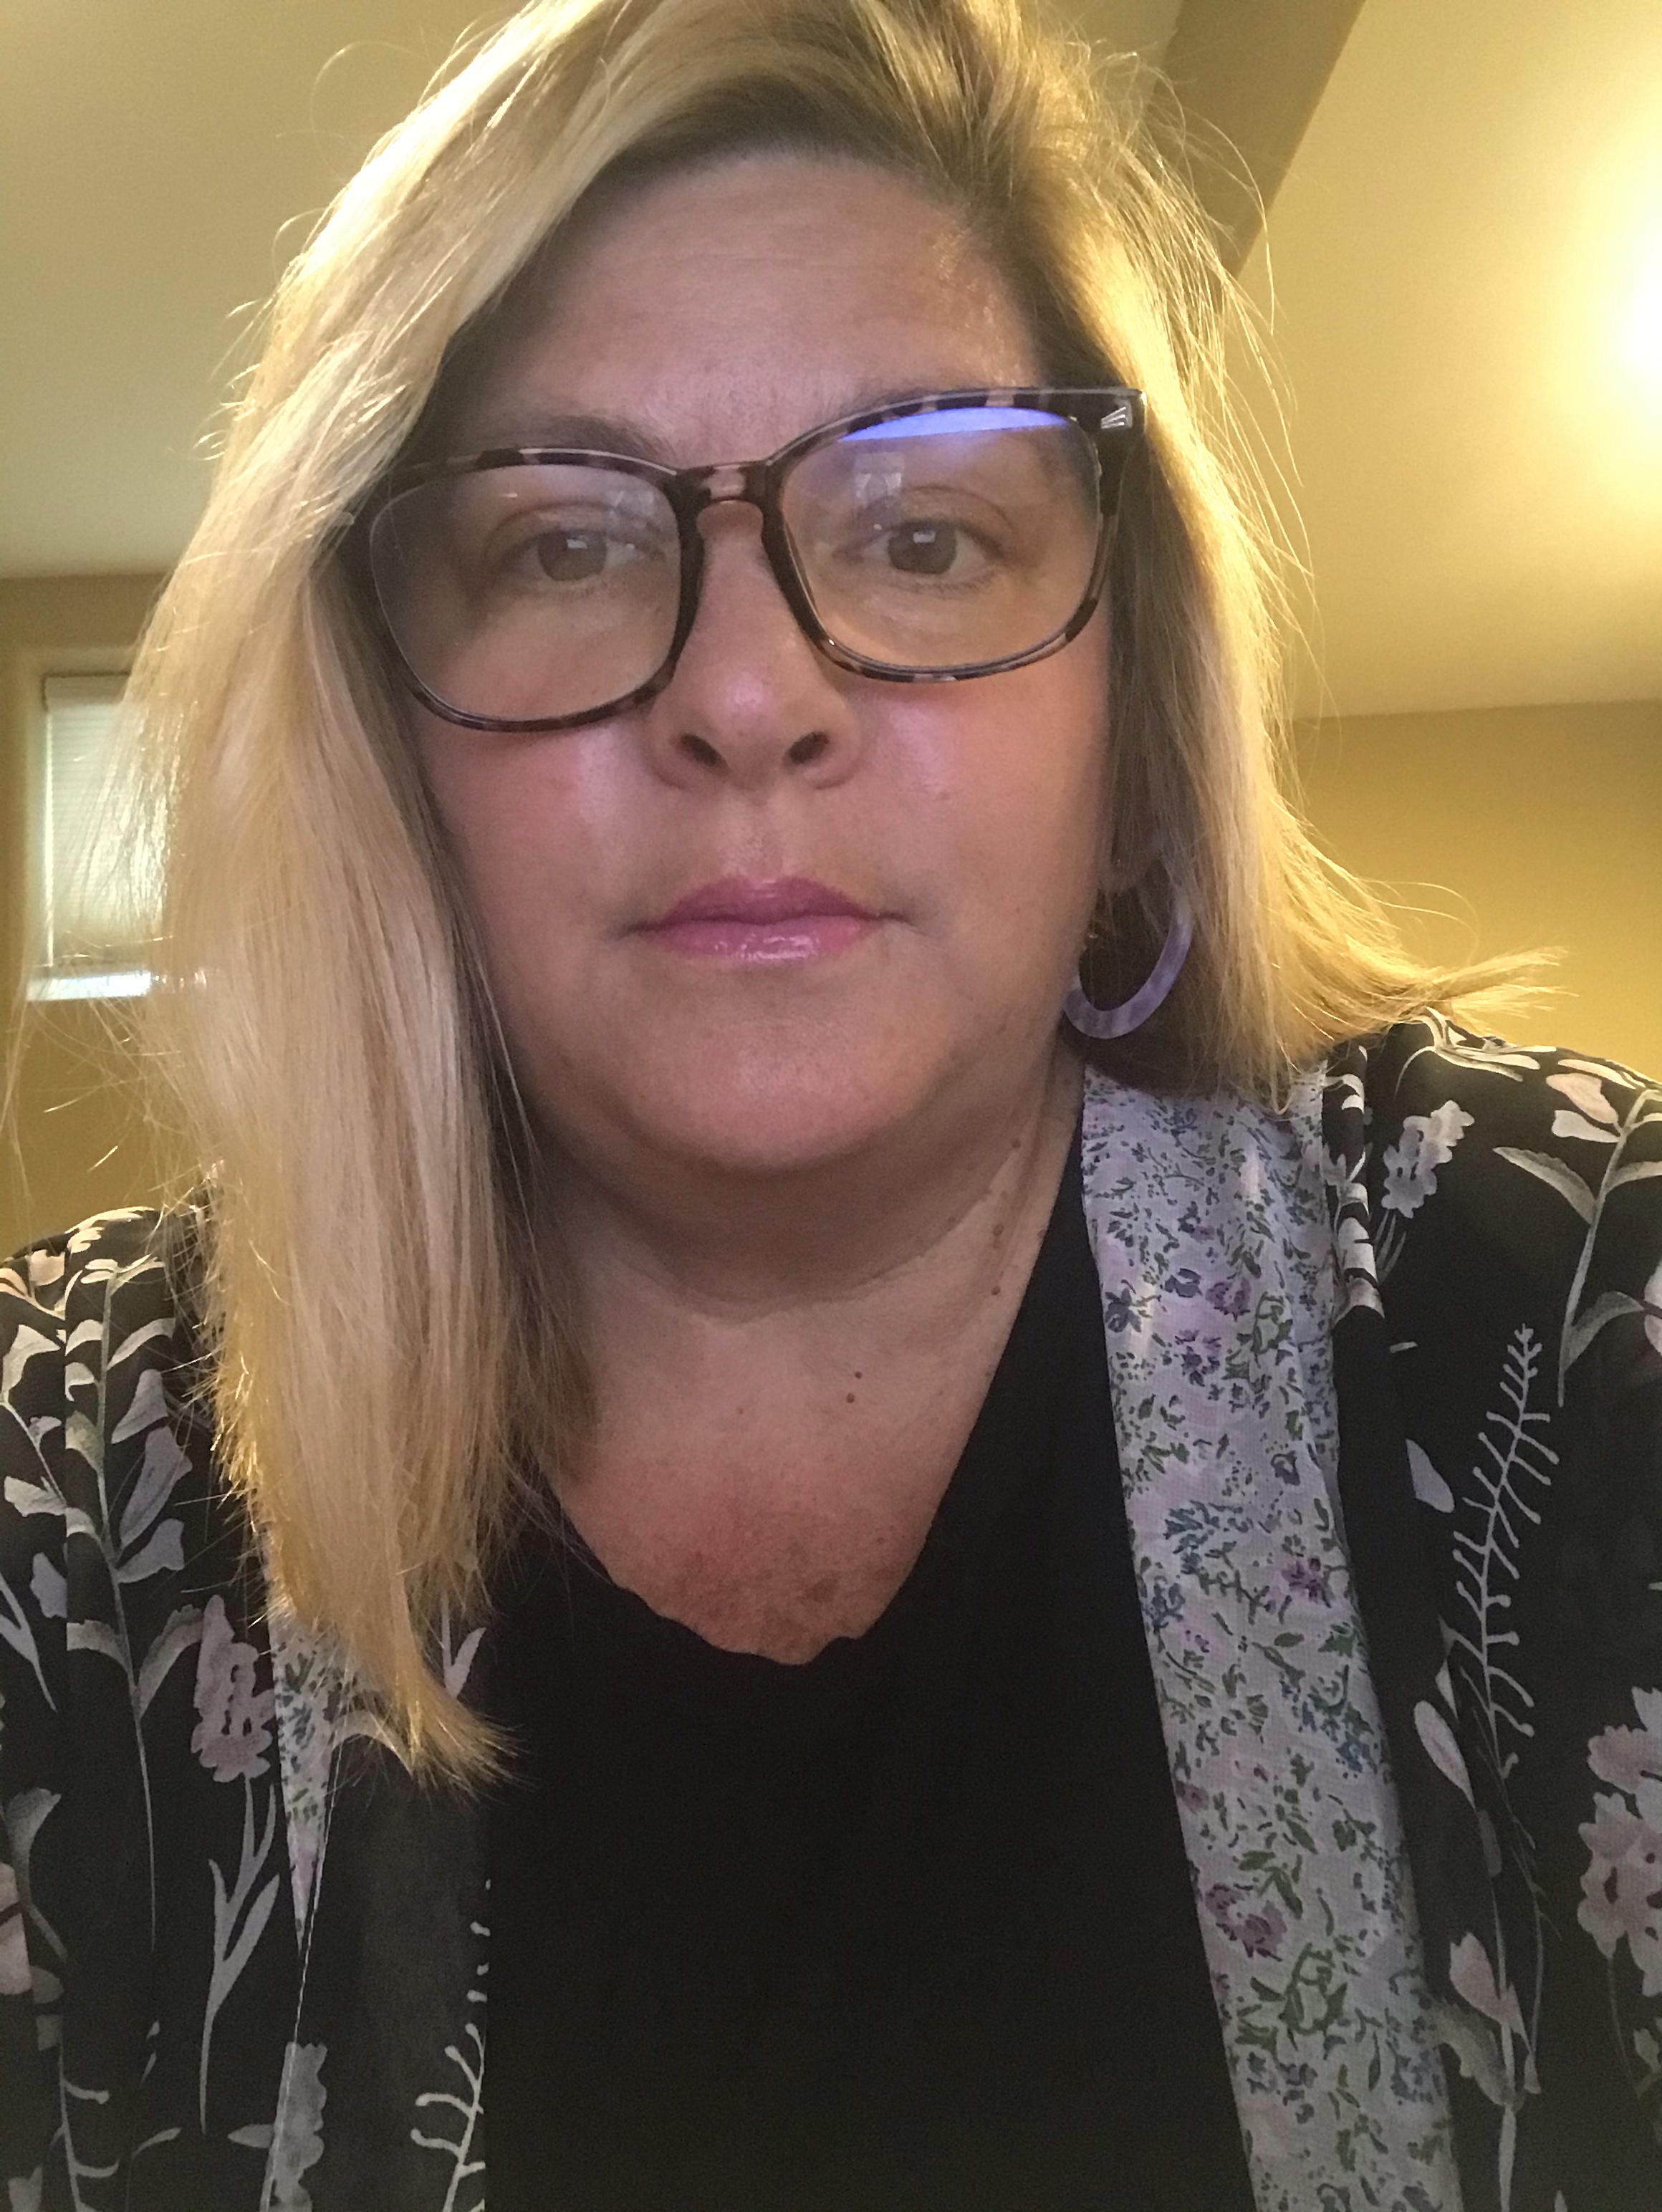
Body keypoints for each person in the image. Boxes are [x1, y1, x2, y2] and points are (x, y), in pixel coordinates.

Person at [2, 0, 1659, 2204]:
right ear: (385, 752)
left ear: (1132, 722)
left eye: (926, 535)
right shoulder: (62, 1480)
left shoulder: (1562, 1294)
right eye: (561, 545)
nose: (748, 692)